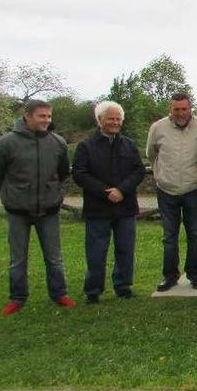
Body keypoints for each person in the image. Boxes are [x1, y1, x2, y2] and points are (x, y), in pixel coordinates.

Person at [0, 99, 75, 315]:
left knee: (54, 257)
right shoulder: (7, 143)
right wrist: (13, 194)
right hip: (18, 212)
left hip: (49, 211)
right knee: (18, 259)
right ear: (28, 116)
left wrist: (50, 191)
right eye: (42, 116)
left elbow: (62, 173)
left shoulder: (58, 143)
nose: (46, 120)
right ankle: (17, 298)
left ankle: (59, 294)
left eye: (49, 116)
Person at [72, 101, 145, 303]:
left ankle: (123, 286)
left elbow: (138, 170)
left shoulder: (128, 145)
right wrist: (106, 192)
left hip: (125, 206)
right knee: (96, 251)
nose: (114, 122)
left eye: (117, 119)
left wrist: (122, 190)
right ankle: (93, 290)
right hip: (98, 208)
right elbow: (79, 174)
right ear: (99, 120)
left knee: (125, 249)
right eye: (110, 118)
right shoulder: (86, 146)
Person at [147, 93, 197, 292]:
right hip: (167, 190)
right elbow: (151, 154)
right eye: (177, 109)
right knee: (169, 236)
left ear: (191, 109)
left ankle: (194, 275)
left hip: (194, 189)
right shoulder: (157, 128)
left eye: (184, 109)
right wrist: (160, 175)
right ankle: (170, 276)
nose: (181, 113)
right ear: (170, 110)